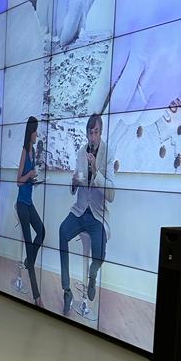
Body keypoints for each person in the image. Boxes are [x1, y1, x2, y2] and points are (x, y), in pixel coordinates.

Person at [58, 113, 115, 315]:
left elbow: (111, 195)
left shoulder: (108, 153)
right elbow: (77, 181)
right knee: (62, 232)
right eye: (90, 133)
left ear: (101, 132)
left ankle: (93, 273)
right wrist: (74, 182)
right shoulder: (81, 152)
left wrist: (96, 170)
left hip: (97, 215)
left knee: (99, 255)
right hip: (80, 210)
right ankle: (67, 290)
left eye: (96, 132)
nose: (93, 137)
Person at [16, 117, 46, 307]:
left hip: (30, 203)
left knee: (42, 232)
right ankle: (37, 297)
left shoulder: (33, 152)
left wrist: (34, 180)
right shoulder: (24, 152)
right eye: (36, 132)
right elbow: (18, 181)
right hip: (21, 204)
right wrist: (29, 175)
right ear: (31, 132)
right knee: (29, 245)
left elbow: (27, 181)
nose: (37, 135)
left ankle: (29, 261)